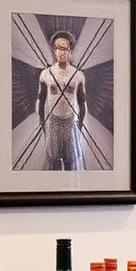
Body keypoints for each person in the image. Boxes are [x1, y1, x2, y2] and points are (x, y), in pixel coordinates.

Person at [36, 30, 86, 171]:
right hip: (53, 123)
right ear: (53, 50)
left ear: (70, 51)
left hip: (70, 123)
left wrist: (80, 124)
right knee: (53, 164)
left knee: (71, 165)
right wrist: (42, 123)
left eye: (64, 48)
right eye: (57, 48)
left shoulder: (78, 75)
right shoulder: (45, 74)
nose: (61, 52)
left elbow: (82, 103)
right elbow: (40, 100)